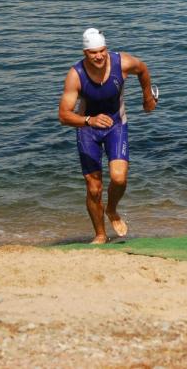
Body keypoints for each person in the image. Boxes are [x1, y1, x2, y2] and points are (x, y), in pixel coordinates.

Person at [58, 28, 157, 244]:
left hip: (116, 125)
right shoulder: (76, 75)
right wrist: (89, 120)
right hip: (88, 130)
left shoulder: (122, 63)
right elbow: (64, 115)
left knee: (119, 178)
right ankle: (100, 234)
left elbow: (142, 69)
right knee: (94, 188)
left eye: (102, 50)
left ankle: (111, 209)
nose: (99, 56)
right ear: (85, 53)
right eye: (93, 53)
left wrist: (147, 97)